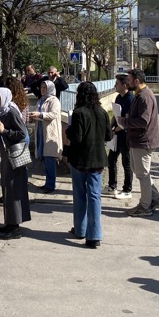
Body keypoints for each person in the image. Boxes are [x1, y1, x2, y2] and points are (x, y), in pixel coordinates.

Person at [64, 82, 112, 248]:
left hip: (80, 159)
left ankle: (80, 229)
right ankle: (94, 235)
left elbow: (75, 137)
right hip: (98, 160)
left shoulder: (78, 113)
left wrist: (68, 130)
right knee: (94, 196)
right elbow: (108, 136)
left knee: (79, 194)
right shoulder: (102, 112)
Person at [120, 68, 159, 216]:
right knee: (139, 170)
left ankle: (145, 206)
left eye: (128, 80)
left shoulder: (144, 96)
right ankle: (155, 198)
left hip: (143, 140)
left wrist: (124, 121)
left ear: (136, 81)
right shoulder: (140, 94)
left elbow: (143, 120)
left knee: (143, 174)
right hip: (138, 140)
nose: (126, 83)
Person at [0, 87, 30, 239]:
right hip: (7, 156)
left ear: (5, 98)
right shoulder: (2, 112)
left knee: (14, 189)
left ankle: (15, 228)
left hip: (14, 156)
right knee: (7, 188)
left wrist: (4, 131)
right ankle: (10, 222)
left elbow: (21, 133)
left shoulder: (11, 112)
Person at [29, 80, 63, 194]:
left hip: (50, 132)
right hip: (40, 131)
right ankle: (48, 182)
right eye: (42, 87)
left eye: (45, 87)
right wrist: (33, 115)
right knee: (44, 158)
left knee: (50, 159)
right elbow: (37, 110)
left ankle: (51, 185)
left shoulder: (54, 100)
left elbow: (53, 114)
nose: (42, 89)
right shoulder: (41, 100)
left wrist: (40, 114)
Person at [107, 73, 134, 199]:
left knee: (126, 162)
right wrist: (111, 128)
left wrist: (116, 129)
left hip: (125, 134)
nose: (115, 86)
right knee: (111, 159)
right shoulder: (119, 97)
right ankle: (112, 186)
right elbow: (115, 115)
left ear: (125, 85)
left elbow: (127, 120)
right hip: (117, 133)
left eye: (117, 83)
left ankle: (127, 189)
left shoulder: (130, 99)